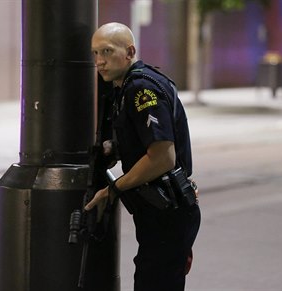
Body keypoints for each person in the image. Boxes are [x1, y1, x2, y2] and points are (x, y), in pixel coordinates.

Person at [85, 22, 201, 291]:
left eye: (107, 51)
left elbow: (163, 157)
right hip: (164, 212)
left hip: (166, 213)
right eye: (95, 53)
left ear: (129, 51)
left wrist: (114, 188)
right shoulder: (126, 85)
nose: (99, 61)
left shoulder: (140, 88)